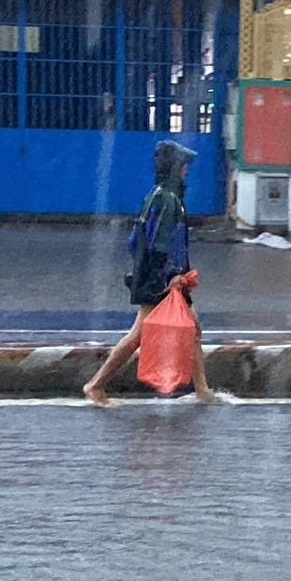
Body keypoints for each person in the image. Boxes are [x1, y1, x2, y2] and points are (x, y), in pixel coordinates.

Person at [82, 141, 219, 407]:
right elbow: (161, 243)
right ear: (175, 168)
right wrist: (171, 277)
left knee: (192, 328)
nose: (186, 171)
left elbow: (136, 241)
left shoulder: (156, 195)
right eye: (183, 166)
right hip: (162, 280)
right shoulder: (168, 200)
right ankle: (96, 385)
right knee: (138, 335)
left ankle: (203, 390)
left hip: (157, 276)